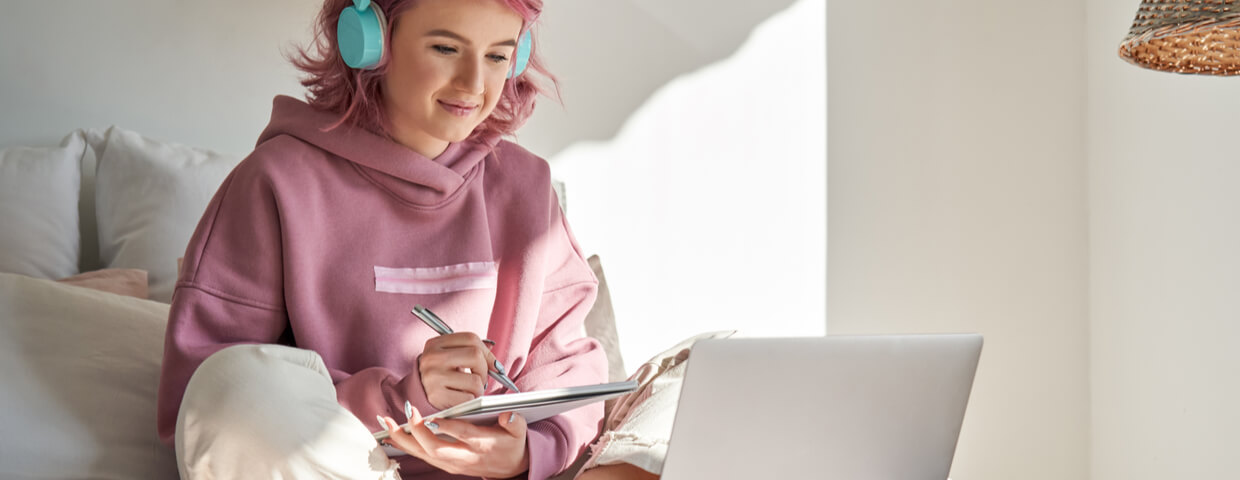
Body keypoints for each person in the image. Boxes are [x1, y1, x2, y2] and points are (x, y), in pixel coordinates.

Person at [155, 0, 608, 478]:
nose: (474, 84)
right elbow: (210, 394)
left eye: (498, 55)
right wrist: (403, 400)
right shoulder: (276, 182)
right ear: (369, 42)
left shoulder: (526, 186)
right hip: (329, 468)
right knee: (238, 388)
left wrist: (527, 452)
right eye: (446, 48)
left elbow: (570, 367)